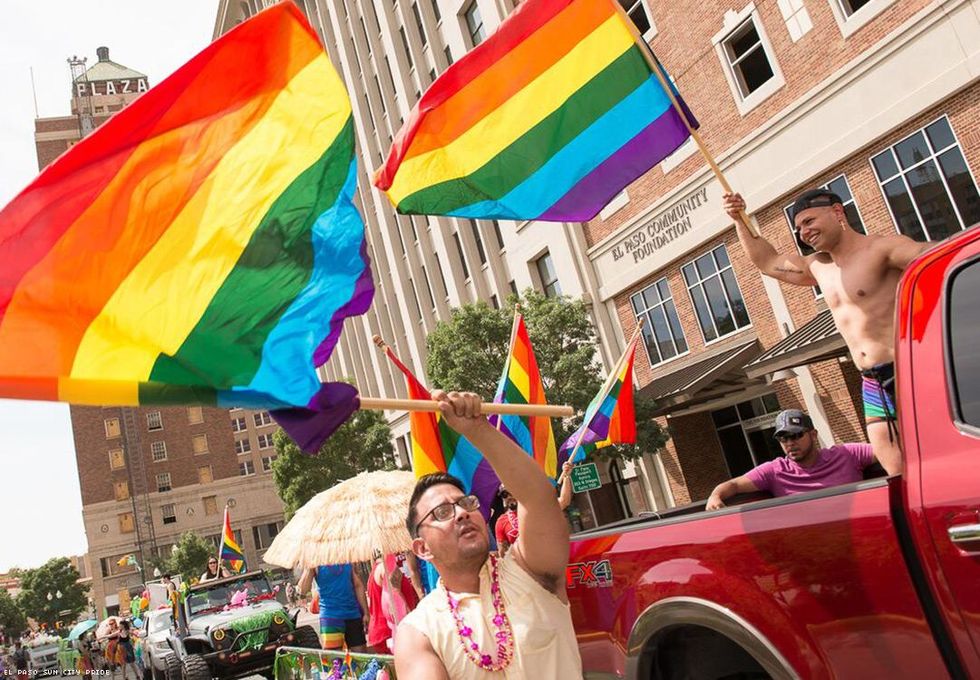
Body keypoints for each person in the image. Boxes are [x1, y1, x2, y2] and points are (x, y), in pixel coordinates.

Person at [724, 190, 929, 475]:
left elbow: (938, 258)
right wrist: (738, 219)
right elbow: (768, 262)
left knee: (938, 451)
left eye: (809, 221)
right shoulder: (819, 267)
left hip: (910, 369)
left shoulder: (883, 249)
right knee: (898, 471)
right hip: (872, 381)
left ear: (837, 211)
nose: (804, 232)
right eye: (798, 228)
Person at [395, 391, 582, 679]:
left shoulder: (532, 571)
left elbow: (538, 497)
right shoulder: (418, 632)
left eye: (466, 503)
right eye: (442, 512)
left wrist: (477, 429)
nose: (461, 513)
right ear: (422, 549)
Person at [706, 409, 877, 509]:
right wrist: (715, 497)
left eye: (795, 435)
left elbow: (890, 451)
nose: (789, 443)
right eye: (783, 438)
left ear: (813, 434)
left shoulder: (847, 454)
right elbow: (734, 485)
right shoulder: (775, 471)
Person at [298, 563, 370, 651]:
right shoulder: (315, 564)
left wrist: (366, 613)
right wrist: (309, 568)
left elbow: (358, 585)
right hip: (330, 617)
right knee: (334, 659)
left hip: (352, 614)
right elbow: (302, 590)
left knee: (361, 657)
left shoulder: (346, 559)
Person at [367, 553, 421, 652]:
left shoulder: (378, 568)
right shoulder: (386, 568)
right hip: (390, 632)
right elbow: (395, 603)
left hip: (383, 631)